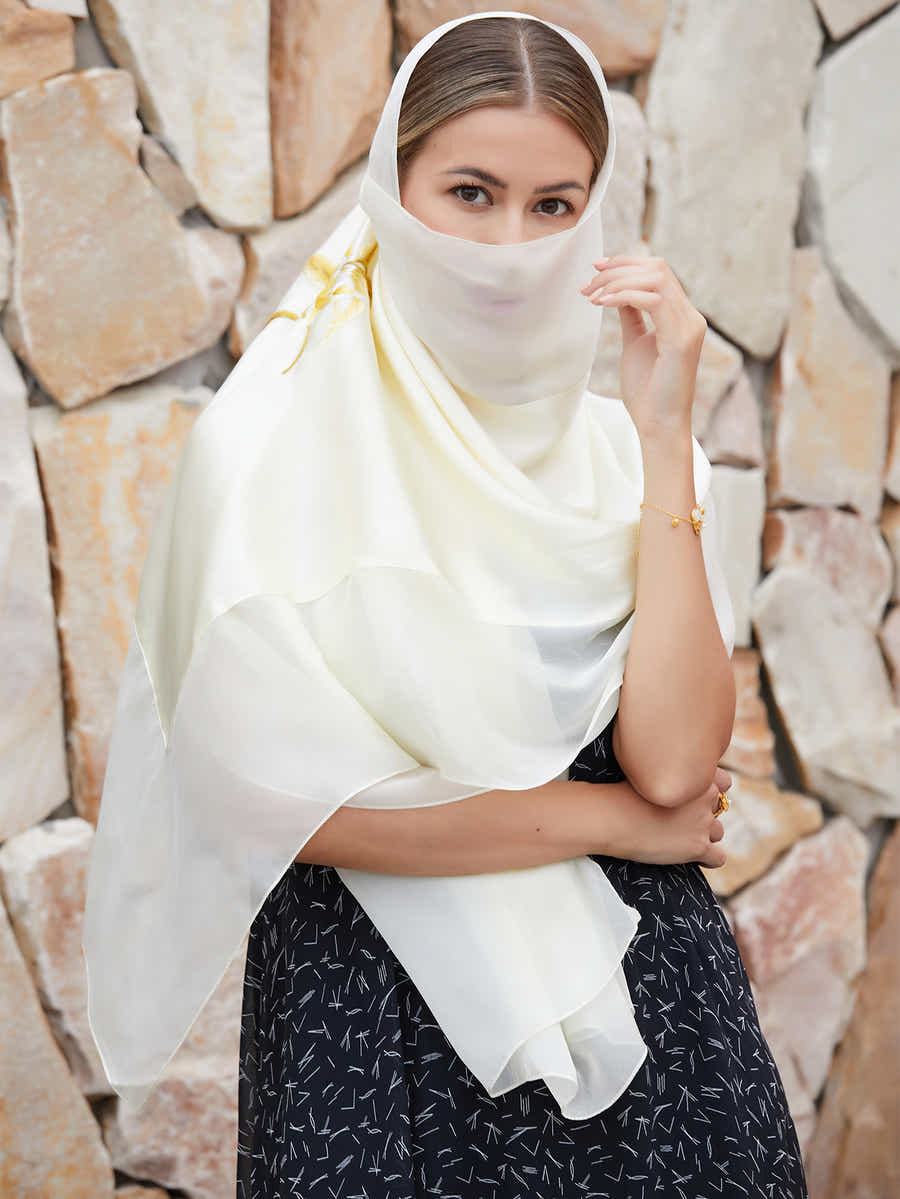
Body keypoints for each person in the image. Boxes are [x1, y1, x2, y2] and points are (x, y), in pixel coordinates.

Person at [230, 12, 810, 1199]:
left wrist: (662, 442)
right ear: (395, 195)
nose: (511, 244)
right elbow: (296, 811)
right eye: (471, 191)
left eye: (554, 204)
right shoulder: (277, 453)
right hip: (373, 1027)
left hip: (655, 1032)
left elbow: (673, 764)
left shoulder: (621, 459)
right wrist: (609, 825)